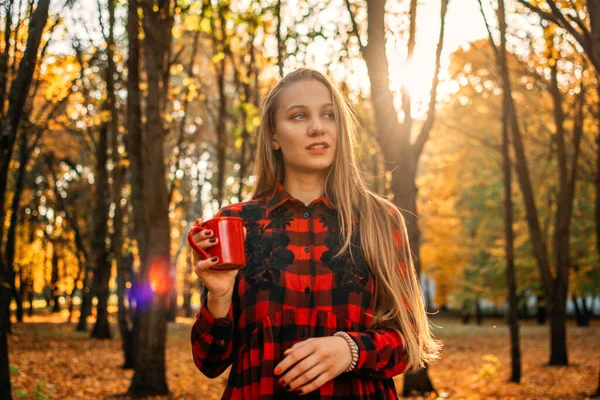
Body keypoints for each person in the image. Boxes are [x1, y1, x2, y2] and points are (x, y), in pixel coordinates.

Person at [190, 68, 440, 399]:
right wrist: (218, 298)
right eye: (298, 116)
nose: (317, 126)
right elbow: (209, 361)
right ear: (274, 136)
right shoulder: (236, 223)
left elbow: (409, 342)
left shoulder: (380, 219)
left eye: (328, 114)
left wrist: (349, 349)